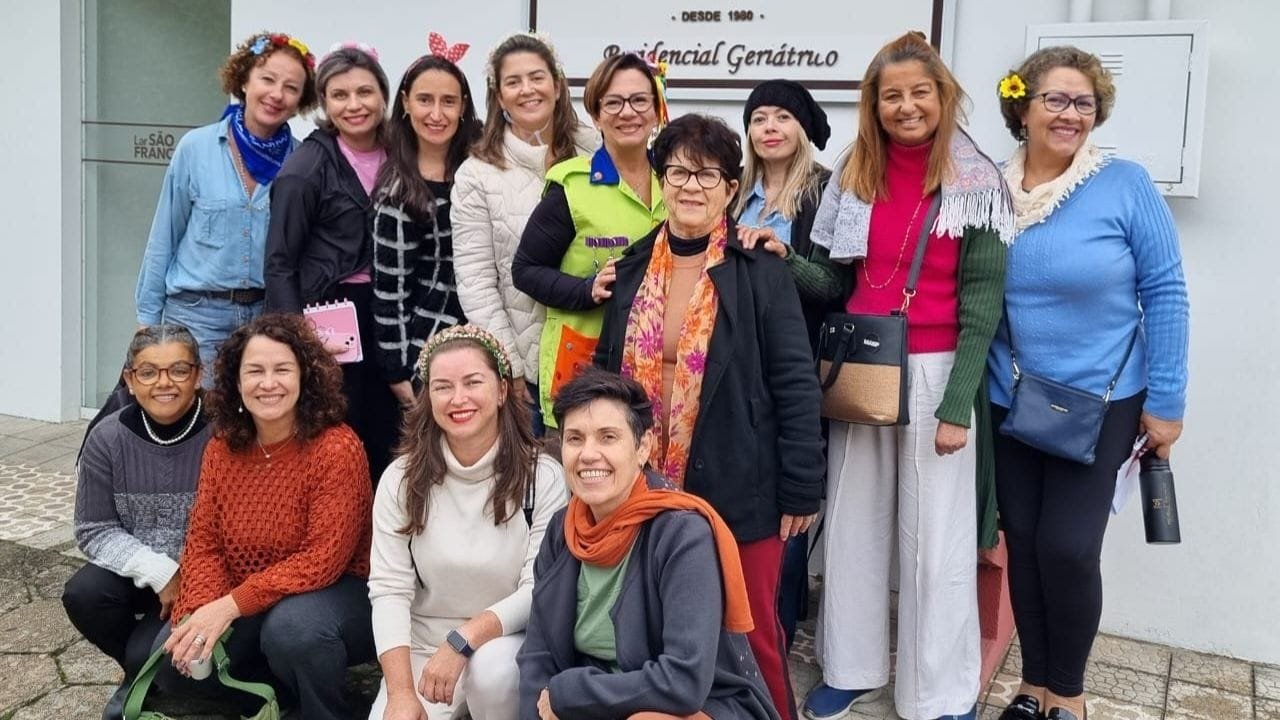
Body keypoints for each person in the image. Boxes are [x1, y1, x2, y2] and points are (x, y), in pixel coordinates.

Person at [801, 32, 1013, 720]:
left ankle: (938, 691)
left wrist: (957, 406)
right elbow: (834, 278)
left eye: (920, 92)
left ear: (944, 95)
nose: (907, 106)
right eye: (891, 95)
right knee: (855, 525)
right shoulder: (854, 173)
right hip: (863, 361)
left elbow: (982, 305)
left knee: (936, 542)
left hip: (936, 370)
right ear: (874, 103)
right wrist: (778, 257)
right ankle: (851, 665)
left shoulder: (974, 181)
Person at [593, 113, 825, 720]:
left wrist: (801, 487)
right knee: (655, 625)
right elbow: (607, 370)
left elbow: (796, 384)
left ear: (729, 188)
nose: (690, 186)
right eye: (677, 172)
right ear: (662, 181)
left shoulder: (761, 271)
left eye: (707, 174)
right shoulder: (633, 268)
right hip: (647, 485)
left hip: (740, 482)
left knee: (752, 634)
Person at [988, 47, 1189, 720]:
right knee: (1024, 540)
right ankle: (1031, 685)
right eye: (1055, 99)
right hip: (1012, 396)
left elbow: (1166, 293)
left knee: (1069, 550)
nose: (1071, 114)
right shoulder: (990, 187)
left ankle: (1066, 697)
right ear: (1023, 106)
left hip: (1103, 400)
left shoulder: (1124, 184)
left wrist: (1167, 401)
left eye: (1083, 103)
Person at [518, 369, 779, 720]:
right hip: (603, 696)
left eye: (608, 437)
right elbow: (538, 652)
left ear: (643, 448)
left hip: (696, 705)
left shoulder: (681, 534)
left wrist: (567, 693)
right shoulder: (562, 529)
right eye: (575, 439)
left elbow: (684, 681)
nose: (588, 454)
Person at [154, 313, 375, 720]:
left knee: (292, 630)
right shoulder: (223, 448)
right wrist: (201, 609)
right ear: (237, 383)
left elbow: (322, 560)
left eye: (282, 370)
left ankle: (325, 710)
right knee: (171, 659)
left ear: (304, 377)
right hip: (256, 597)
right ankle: (275, 700)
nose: (268, 383)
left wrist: (229, 607)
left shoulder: (336, 448)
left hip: (338, 594)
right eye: (255, 371)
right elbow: (204, 543)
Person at [368, 325, 568, 720]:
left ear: (501, 390)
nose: (458, 399)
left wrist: (463, 640)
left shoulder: (542, 477)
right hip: (425, 648)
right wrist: (401, 692)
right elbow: (389, 590)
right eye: (442, 387)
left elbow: (538, 588)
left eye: (473, 382)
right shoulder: (401, 479)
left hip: (506, 644)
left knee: (492, 672)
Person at [734, 78, 841, 651]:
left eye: (781, 117)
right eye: (758, 118)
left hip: (795, 364)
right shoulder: (736, 192)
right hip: (734, 368)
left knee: (791, 495)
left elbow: (834, 282)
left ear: (802, 128)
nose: (769, 128)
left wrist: (784, 257)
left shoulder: (823, 195)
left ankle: (780, 619)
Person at [135, 32, 316, 371]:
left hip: (268, 316)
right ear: (245, 80)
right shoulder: (196, 148)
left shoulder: (302, 162)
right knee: (198, 419)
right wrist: (147, 320)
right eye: (268, 79)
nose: (277, 94)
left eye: (291, 87)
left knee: (255, 419)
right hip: (195, 315)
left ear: (300, 100)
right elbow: (164, 235)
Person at [265, 42, 399, 480]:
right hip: (337, 312)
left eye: (365, 92)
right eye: (340, 95)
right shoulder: (304, 170)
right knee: (344, 434)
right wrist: (296, 340)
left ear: (383, 94)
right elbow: (280, 262)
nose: (354, 105)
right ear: (324, 103)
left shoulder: (404, 151)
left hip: (395, 304)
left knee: (397, 431)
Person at [63, 325, 212, 720]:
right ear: (130, 380)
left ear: (198, 375)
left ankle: (147, 666)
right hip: (143, 574)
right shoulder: (107, 438)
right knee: (84, 593)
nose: (164, 383)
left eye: (178, 370)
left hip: (208, 578)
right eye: (148, 372)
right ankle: (141, 673)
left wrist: (191, 577)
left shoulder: (226, 431)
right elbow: (92, 529)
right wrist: (160, 571)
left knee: (147, 653)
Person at [513, 52, 668, 432]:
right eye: (612, 103)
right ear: (596, 116)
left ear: (656, 112)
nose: (626, 112)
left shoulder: (677, 180)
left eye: (638, 101)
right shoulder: (573, 184)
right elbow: (525, 270)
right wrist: (586, 289)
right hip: (584, 364)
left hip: (658, 369)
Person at [452, 32, 596, 435]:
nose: (527, 90)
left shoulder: (597, 152)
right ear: (498, 96)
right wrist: (509, 366)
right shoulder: (477, 174)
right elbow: (476, 281)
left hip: (597, 353)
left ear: (557, 84)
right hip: (528, 372)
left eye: (537, 77)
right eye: (513, 82)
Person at [372, 42, 482, 411]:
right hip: (429, 350)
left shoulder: (480, 168)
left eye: (448, 101)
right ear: (405, 102)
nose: (437, 114)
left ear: (463, 106)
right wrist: (398, 373)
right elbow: (390, 292)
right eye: (425, 100)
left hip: (486, 339)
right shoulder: (398, 192)